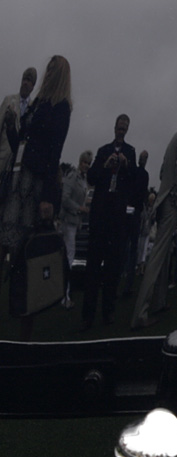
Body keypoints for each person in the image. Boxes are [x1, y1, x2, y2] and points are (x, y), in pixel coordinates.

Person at [1, 56, 72, 339]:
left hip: (37, 183)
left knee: (29, 253)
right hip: (20, 179)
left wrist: (48, 197)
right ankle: (18, 311)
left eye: (54, 67)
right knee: (13, 248)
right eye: (49, 65)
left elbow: (55, 151)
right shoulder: (39, 102)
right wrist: (9, 126)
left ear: (61, 74)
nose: (49, 69)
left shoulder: (61, 106)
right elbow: (21, 139)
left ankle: (25, 327)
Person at [132, 102, 177, 329]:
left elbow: (162, 171)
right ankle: (141, 313)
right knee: (158, 255)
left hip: (163, 199)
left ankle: (158, 302)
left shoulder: (173, 138)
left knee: (165, 253)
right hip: (171, 201)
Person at [81, 114, 136, 329]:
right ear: (114, 128)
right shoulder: (104, 150)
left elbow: (132, 183)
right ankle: (88, 315)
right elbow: (92, 177)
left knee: (113, 269)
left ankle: (108, 311)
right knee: (93, 267)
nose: (121, 130)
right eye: (119, 127)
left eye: (125, 128)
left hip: (117, 219)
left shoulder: (130, 152)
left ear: (127, 130)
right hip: (100, 216)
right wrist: (105, 165)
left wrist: (126, 165)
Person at [57, 149, 91, 308]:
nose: (86, 165)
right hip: (67, 222)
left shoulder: (84, 180)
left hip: (74, 222)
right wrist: (79, 208)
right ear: (80, 162)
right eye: (84, 162)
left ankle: (63, 294)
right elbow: (64, 199)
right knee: (68, 258)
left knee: (67, 257)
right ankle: (65, 296)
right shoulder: (72, 177)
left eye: (88, 163)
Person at [0, 68, 36, 198]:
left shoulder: (34, 108)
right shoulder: (9, 100)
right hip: (3, 158)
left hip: (18, 165)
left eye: (29, 81)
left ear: (33, 86)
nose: (25, 83)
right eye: (24, 79)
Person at [122, 149, 148, 298]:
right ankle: (125, 279)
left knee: (131, 247)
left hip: (134, 211)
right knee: (129, 247)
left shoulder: (140, 174)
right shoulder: (139, 174)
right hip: (133, 211)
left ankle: (127, 281)